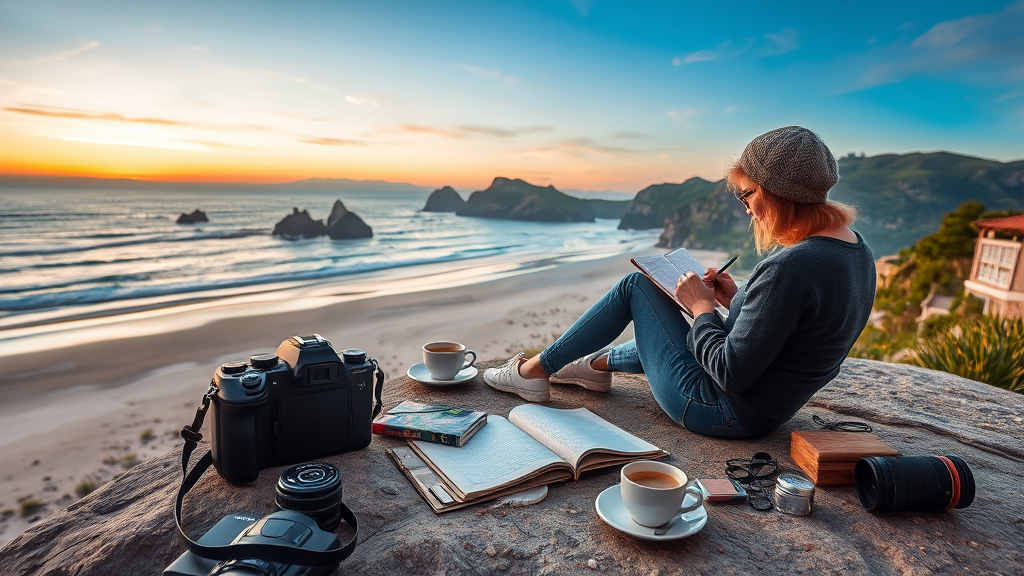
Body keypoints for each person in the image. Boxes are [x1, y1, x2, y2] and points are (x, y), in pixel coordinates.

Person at [483, 126, 876, 438]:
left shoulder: (793, 266)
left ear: (777, 191)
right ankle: (593, 364)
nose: (747, 210)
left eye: (746, 196)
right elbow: (785, 335)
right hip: (763, 408)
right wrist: (734, 298)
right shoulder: (856, 253)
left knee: (635, 288)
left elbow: (729, 371)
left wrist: (701, 307)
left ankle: (533, 371)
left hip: (719, 409)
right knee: (667, 322)